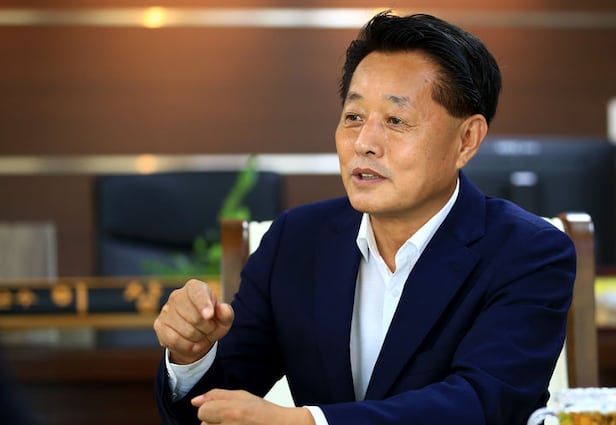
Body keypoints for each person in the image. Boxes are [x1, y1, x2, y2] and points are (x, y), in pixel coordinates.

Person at [153, 11, 576, 425]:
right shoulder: (295, 240)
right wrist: (191, 355)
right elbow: (218, 405)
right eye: (354, 117)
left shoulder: (529, 252)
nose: (364, 143)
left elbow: (484, 405)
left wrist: (309, 423)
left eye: (395, 120)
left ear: (466, 140)